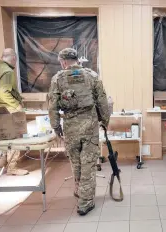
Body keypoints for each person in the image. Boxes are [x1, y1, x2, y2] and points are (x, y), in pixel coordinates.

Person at [48, 48, 110, 216]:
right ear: (77, 60)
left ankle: (80, 192)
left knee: (76, 164)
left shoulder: (57, 79)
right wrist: (105, 121)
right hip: (90, 126)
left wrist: (56, 127)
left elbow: (52, 105)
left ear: (63, 61)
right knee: (88, 164)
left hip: (70, 127)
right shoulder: (92, 76)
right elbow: (103, 100)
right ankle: (85, 202)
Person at [0, 48, 28, 176]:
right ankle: (12, 167)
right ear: (14, 59)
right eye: (15, 60)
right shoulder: (8, 71)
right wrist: (17, 105)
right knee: (16, 137)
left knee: (6, 136)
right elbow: (4, 91)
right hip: (10, 108)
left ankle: (3, 159)